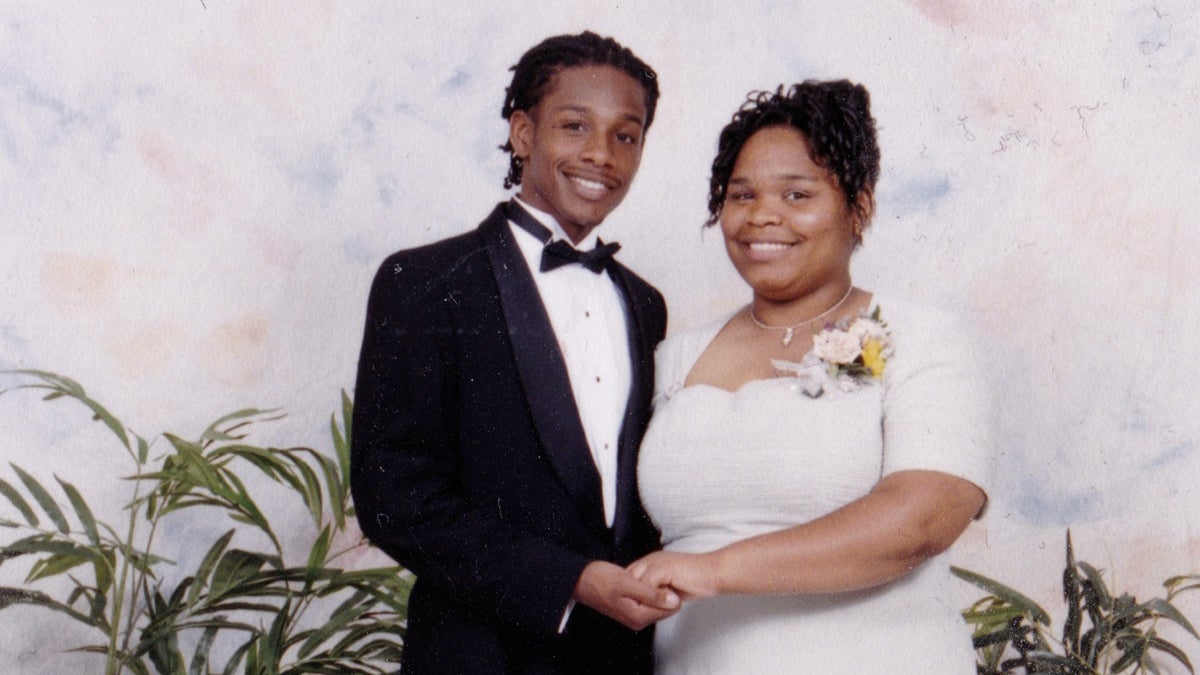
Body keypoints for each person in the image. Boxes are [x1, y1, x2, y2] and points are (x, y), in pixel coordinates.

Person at [631, 80, 990, 673]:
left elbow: (922, 520)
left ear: (860, 206)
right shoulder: (672, 357)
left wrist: (715, 569)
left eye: (797, 194)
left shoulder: (923, 338)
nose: (762, 216)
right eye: (740, 195)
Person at [350, 31, 679, 674]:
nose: (601, 155)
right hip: (479, 655)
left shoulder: (646, 305)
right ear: (524, 134)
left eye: (626, 135)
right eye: (575, 125)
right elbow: (395, 494)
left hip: (622, 659)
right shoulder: (424, 282)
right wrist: (569, 580)